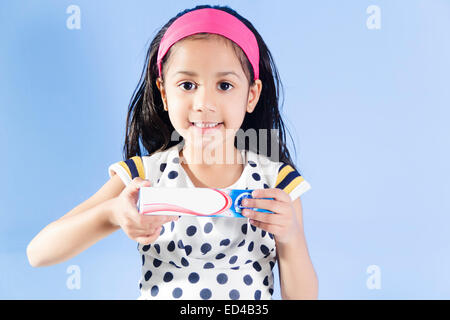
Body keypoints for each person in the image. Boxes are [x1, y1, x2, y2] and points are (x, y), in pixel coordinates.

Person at [27, 4, 318, 300]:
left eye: (225, 85)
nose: (204, 102)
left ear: (251, 95)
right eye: (187, 85)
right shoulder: (143, 176)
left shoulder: (277, 183)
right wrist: (113, 214)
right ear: (165, 93)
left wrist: (290, 236)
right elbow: (38, 253)